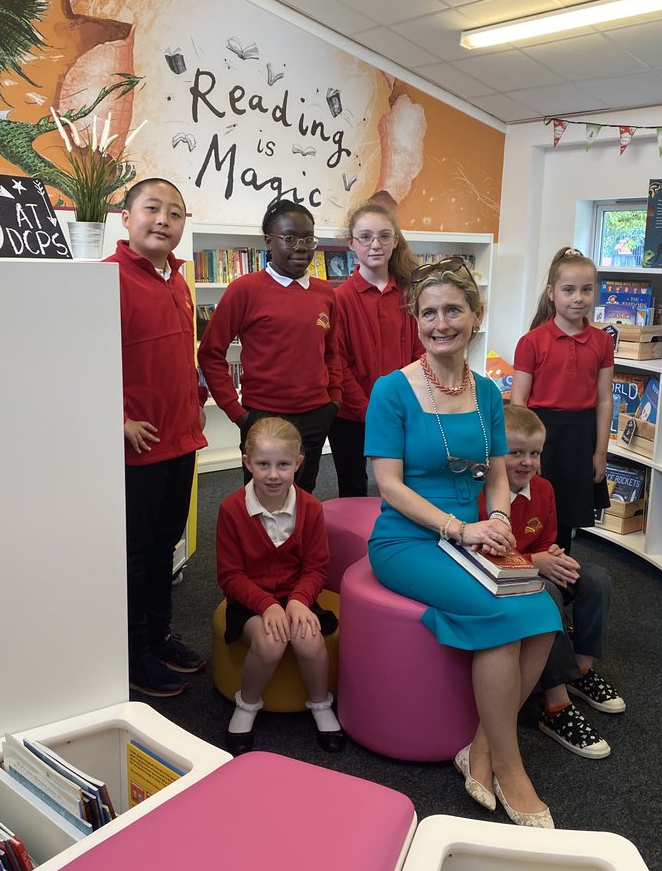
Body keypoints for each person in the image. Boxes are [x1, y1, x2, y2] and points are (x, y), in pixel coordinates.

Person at [366, 257, 561, 828]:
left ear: (476, 316)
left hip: (476, 535)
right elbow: (389, 485)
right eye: (428, 313)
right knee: (501, 616)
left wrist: (497, 519)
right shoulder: (391, 391)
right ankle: (511, 765)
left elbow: (498, 474)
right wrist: (460, 528)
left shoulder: (487, 394)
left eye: (453, 309)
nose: (440, 322)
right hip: (410, 539)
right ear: (416, 321)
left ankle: (479, 747)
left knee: (545, 615)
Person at [105, 177, 208, 698]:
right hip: (136, 448)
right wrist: (116, 419)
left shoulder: (179, 280)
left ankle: (160, 633)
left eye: (175, 212)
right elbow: (83, 362)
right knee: (137, 552)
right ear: (126, 217)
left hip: (180, 438)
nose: (164, 220)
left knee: (167, 541)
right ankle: (132, 651)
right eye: (152, 208)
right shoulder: (109, 280)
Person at [484, 405, 625, 760]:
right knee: (546, 593)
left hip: (538, 567)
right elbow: (485, 556)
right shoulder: (484, 495)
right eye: (515, 452)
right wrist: (537, 563)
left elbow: (547, 538)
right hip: (504, 583)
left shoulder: (544, 490)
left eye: (534, 453)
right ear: (496, 454)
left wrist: (554, 556)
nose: (526, 462)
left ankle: (582, 670)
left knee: (595, 578)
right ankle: (556, 705)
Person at [217, 417, 345, 756]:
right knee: (271, 641)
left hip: (297, 594)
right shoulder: (231, 509)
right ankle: (247, 704)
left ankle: (320, 704)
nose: (273, 474)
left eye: (283, 465)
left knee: (309, 638)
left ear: (298, 464)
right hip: (249, 598)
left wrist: (299, 600)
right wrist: (267, 604)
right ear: (247, 463)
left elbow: (316, 567)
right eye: (263, 464)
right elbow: (230, 576)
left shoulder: (312, 508)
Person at [198, 200, 341, 493]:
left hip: (316, 415)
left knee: (304, 493)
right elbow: (210, 353)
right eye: (289, 238)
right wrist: (237, 414)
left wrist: (334, 401)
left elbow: (332, 353)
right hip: (262, 417)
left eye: (308, 239)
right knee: (262, 499)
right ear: (268, 241)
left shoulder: (325, 293)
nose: (301, 247)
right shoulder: (244, 290)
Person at [512, 247, 613, 554]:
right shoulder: (531, 342)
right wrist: (520, 451)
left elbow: (605, 399)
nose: (578, 298)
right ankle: (525, 568)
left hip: (581, 437)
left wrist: (600, 453)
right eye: (568, 290)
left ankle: (561, 578)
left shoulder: (603, 341)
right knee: (533, 506)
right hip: (542, 434)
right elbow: (519, 403)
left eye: (586, 289)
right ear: (552, 293)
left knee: (566, 515)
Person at [329, 201, 423, 497]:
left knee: (404, 486)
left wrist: (403, 404)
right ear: (351, 244)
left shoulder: (410, 295)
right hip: (352, 415)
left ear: (395, 241)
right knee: (353, 487)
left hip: (402, 410)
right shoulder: (339, 299)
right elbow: (338, 363)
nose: (375, 245)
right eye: (365, 237)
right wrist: (369, 410)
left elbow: (419, 354)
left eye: (384, 236)